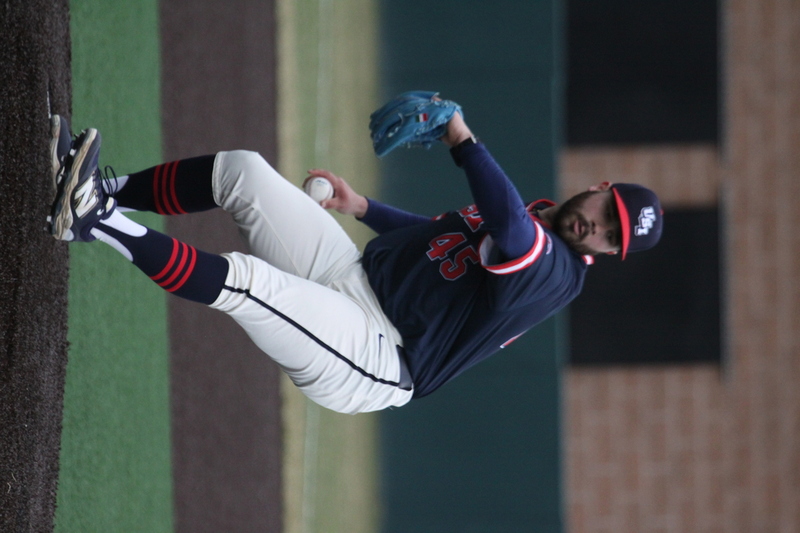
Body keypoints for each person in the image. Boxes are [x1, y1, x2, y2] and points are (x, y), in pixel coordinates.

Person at [47, 107, 662, 415]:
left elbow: (503, 222)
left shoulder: (558, 274)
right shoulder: (535, 221)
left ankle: (96, 220)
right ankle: (104, 187)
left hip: (377, 356)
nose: (598, 226)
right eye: (607, 211)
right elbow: (439, 237)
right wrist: (362, 205)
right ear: (600, 187)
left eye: (611, 236)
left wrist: (460, 136)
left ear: (607, 254)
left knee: (249, 282)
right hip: (354, 275)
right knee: (244, 171)